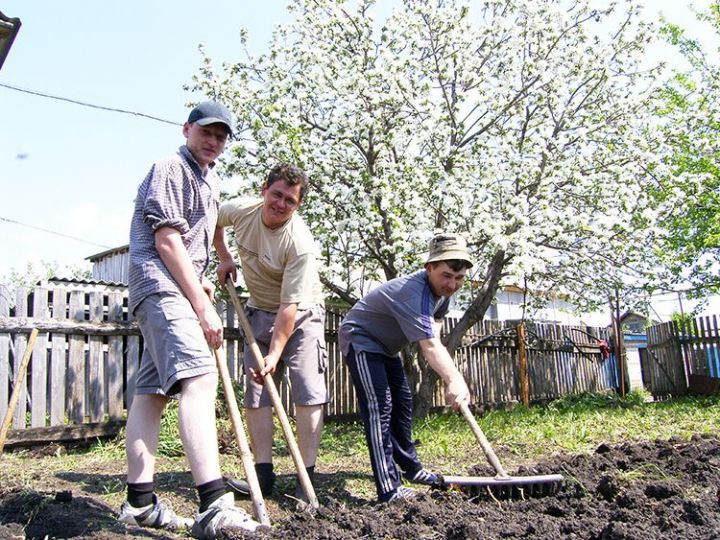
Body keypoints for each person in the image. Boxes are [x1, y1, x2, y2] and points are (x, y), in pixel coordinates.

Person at [120, 101, 260, 538]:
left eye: (221, 136)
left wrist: (214, 264)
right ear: (187, 129)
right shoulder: (170, 167)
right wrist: (200, 306)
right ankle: (214, 504)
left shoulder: (209, 179)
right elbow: (166, 240)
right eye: (207, 132)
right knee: (199, 379)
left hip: (176, 288)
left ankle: (139, 504)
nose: (213, 141)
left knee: (152, 393)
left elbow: (203, 231)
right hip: (161, 286)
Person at [214, 163, 328, 503]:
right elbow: (211, 222)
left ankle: (305, 478)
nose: (280, 204)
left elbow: (290, 309)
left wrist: (274, 356)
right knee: (256, 391)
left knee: (308, 388)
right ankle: (262, 477)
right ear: (264, 189)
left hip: (301, 313)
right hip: (258, 310)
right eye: (276, 194)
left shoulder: (300, 244)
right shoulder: (241, 210)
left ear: (298, 205)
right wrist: (224, 257)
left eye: (290, 201)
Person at [338, 233, 473, 503]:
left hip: (387, 348)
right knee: (380, 408)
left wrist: (438, 356)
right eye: (446, 275)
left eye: (459, 279)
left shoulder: (442, 293)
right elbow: (430, 346)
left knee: (402, 403)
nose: (452, 284)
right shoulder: (414, 291)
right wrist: (454, 379)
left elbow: (434, 330)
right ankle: (389, 488)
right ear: (429, 268)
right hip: (361, 339)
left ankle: (411, 468)